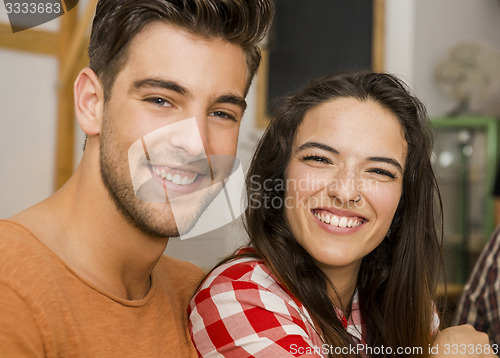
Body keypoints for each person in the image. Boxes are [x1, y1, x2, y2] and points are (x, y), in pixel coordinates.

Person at [0, 0, 273, 356]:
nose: (196, 144)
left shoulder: (198, 297)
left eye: (221, 112)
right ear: (91, 103)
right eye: (161, 100)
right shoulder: (12, 289)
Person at [188, 71, 497, 357]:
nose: (346, 191)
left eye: (379, 170)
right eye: (320, 159)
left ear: (403, 201)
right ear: (277, 178)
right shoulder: (239, 296)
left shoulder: (401, 301)